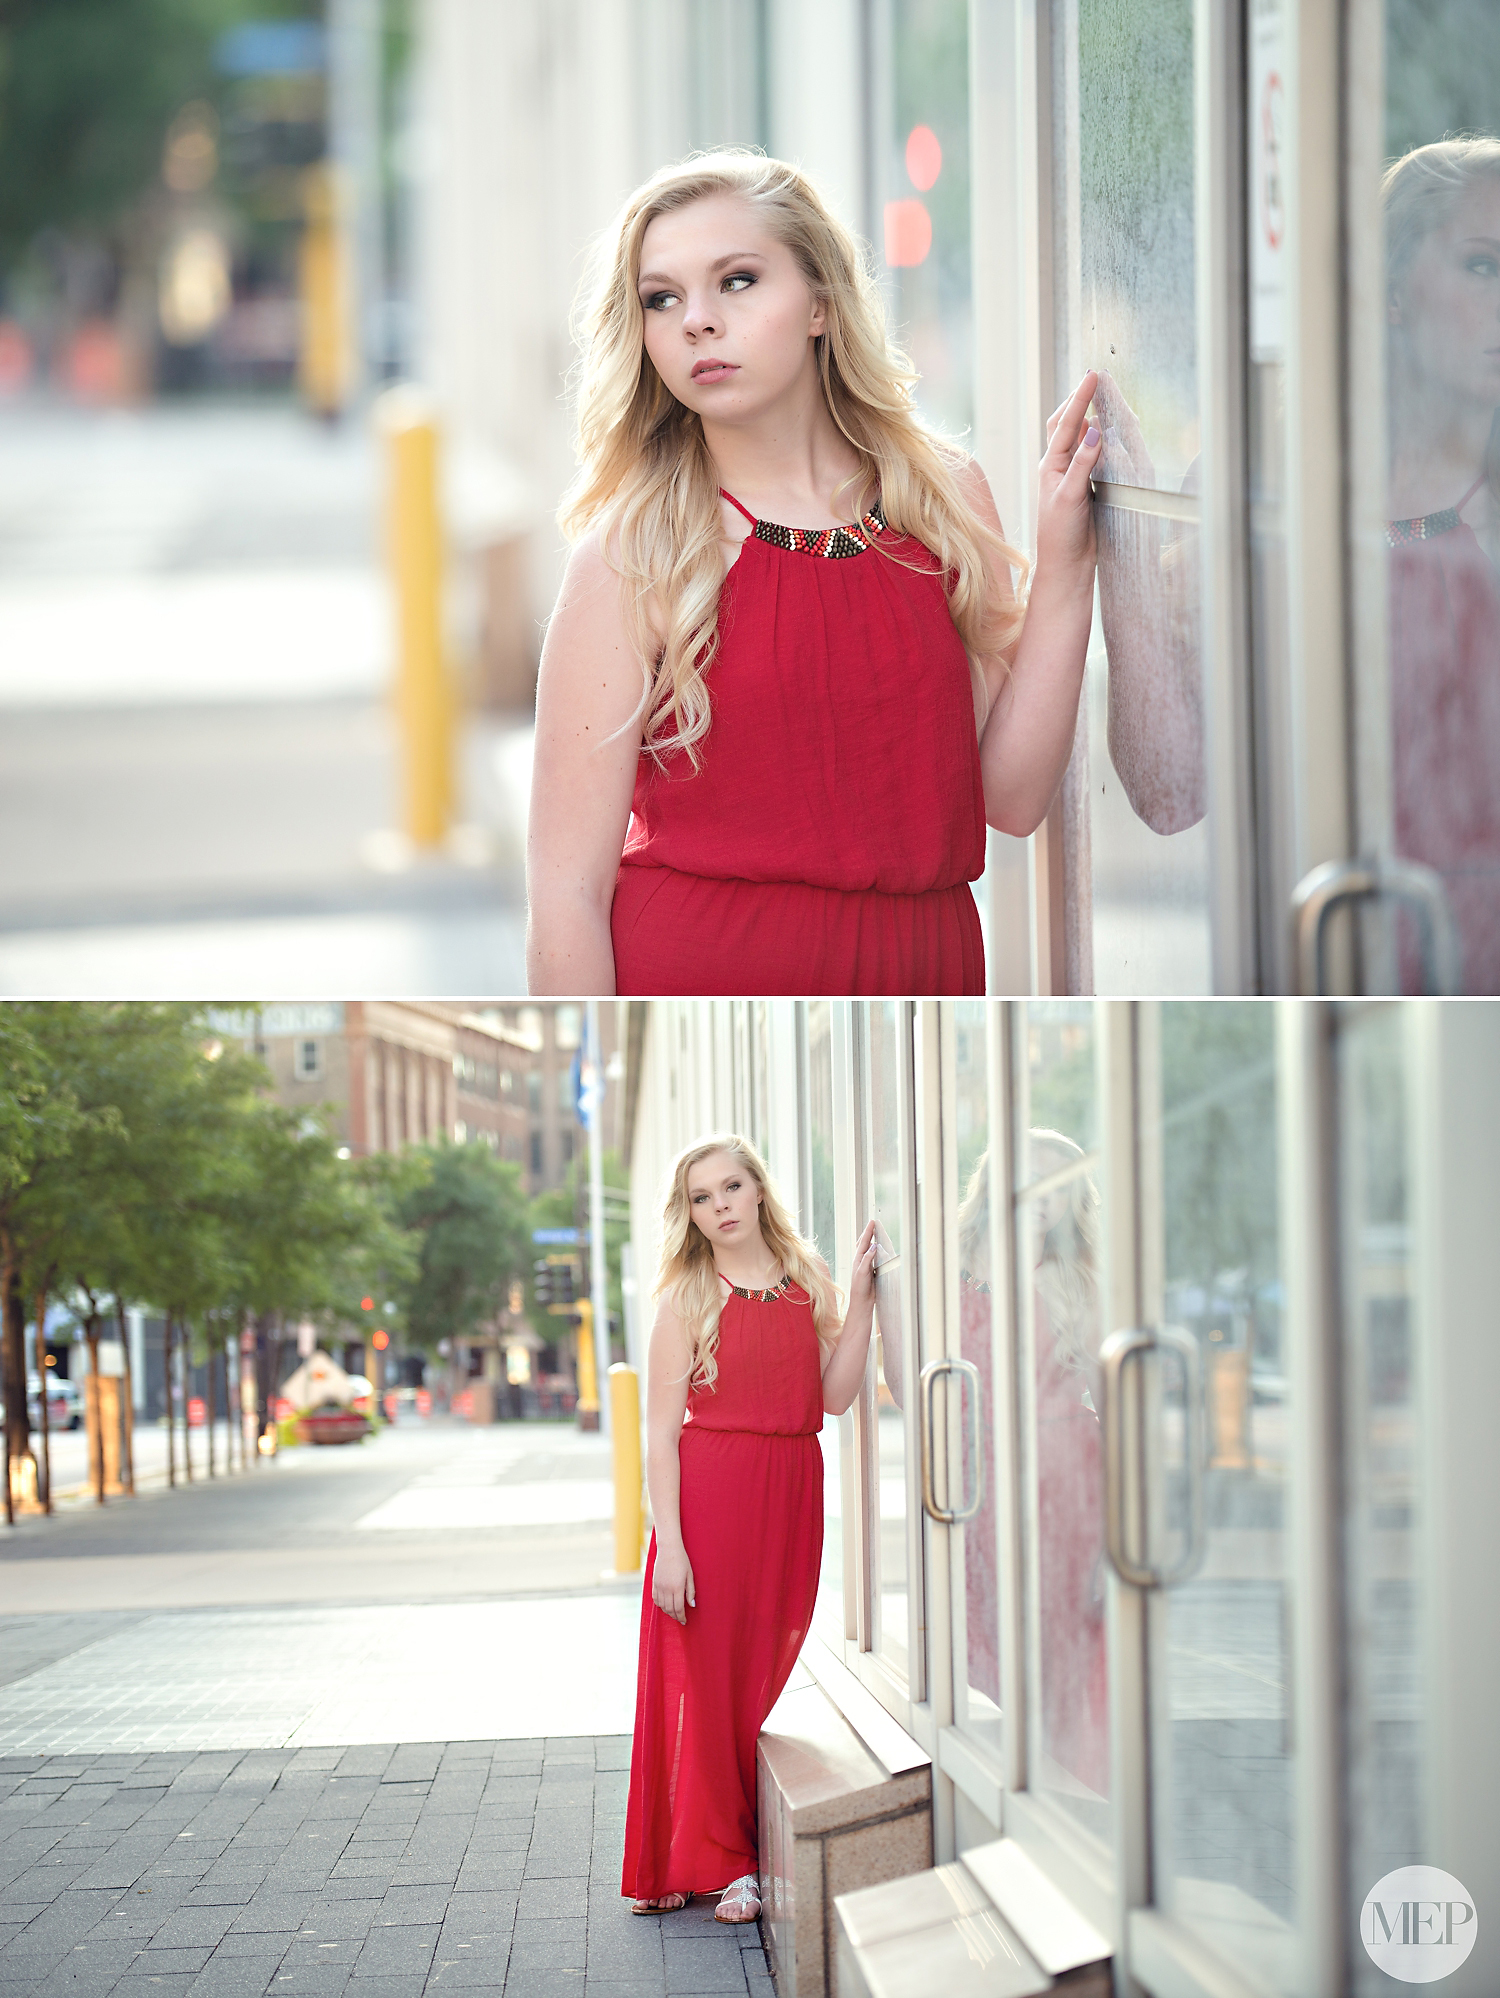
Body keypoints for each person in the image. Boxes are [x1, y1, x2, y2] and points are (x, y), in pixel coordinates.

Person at [528, 150, 1103, 996]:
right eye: (663, 298)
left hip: (925, 968)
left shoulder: (941, 499)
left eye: (737, 280)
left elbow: (1011, 799)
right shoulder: (633, 553)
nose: (696, 321)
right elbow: (566, 894)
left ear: (821, 306)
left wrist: (1066, 566)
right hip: (703, 970)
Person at [623, 1135, 878, 1920]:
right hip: (712, 1497)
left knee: (758, 1665)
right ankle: (727, 1863)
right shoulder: (689, 1297)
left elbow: (833, 1398)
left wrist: (863, 1300)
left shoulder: (807, 1280)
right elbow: (659, 1435)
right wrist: (669, 1544)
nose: (720, 1206)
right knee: (707, 1681)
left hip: (791, 1486)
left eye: (731, 1187)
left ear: (758, 1191)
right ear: (691, 1214)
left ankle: (700, 1848)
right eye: (702, 1197)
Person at [1383, 137, 1500, 992]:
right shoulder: (1299, 499)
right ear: (1393, 289)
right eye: (1482, 266)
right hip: (1346, 942)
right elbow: (1174, 795)